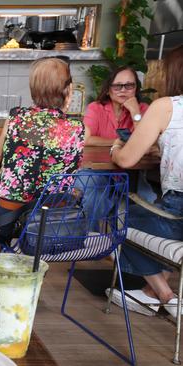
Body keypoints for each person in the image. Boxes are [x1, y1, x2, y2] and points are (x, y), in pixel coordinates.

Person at [108, 45, 183, 317]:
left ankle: (165, 295)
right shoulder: (99, 108)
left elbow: (126, 159)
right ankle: (151, 293)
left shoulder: (166, 107)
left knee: (120, 219)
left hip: (178, 210)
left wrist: (115, 150)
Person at [0, 57, 84, 241]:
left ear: (34, 89)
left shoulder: (17, 118)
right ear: (67, 90)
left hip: (10, 217)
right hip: (53, 220)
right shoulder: (77, 128)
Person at [84, 66, 149, 146]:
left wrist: (135, 113)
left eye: (129, 85)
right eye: (117, 86)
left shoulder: (144, 109)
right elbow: (85, 139)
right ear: (108, 90)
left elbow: (146, 142)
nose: (123, 90)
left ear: (136, 89)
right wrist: (119, 142)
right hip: (99, 158)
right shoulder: (95, 108)